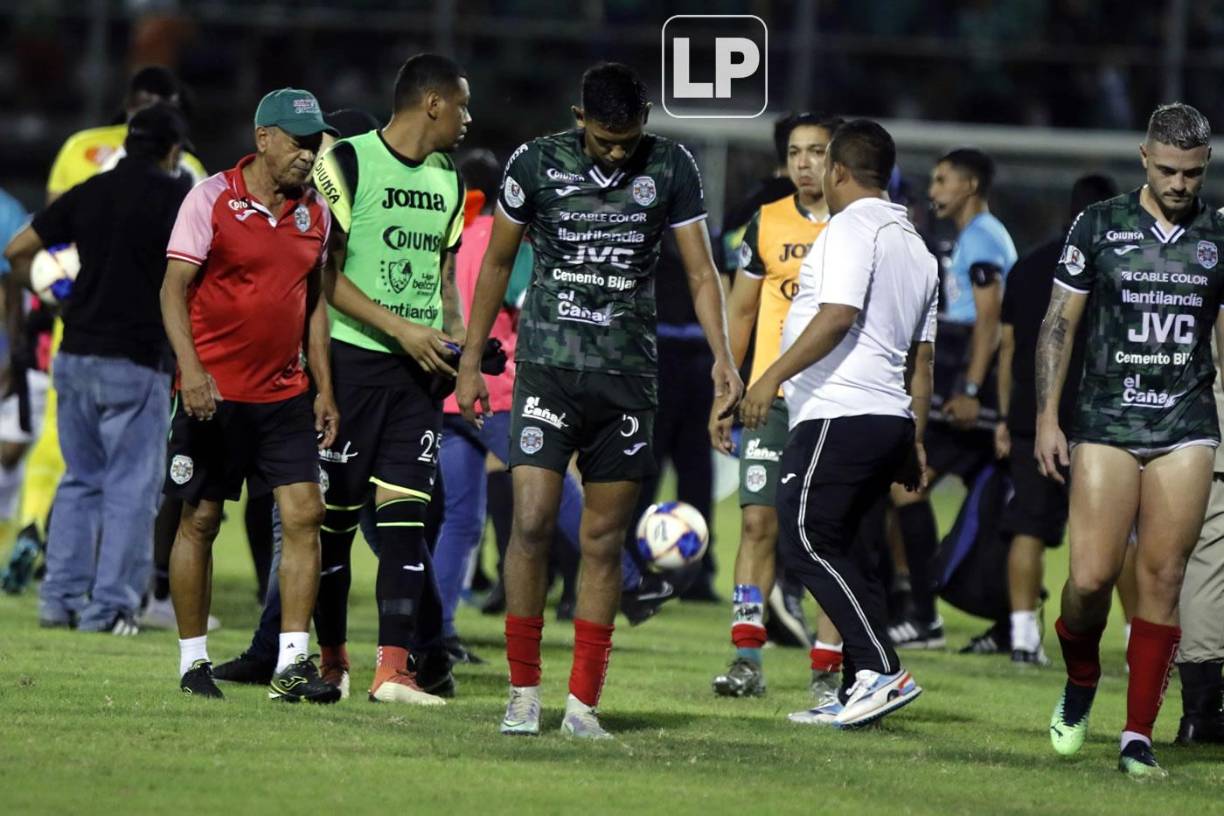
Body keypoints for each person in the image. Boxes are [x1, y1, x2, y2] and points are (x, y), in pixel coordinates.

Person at [456, 62, 742, 739]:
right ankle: (523, 694)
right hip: (548, 371)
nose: (618, 153)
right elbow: (497, 263)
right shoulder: (535, 163)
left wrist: (724, 361)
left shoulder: (671, 167)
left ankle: (582, 706)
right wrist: (469, 361)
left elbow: (702, 272)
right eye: (606, 140)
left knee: (603, 540)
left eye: (629, 139)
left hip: (627, 382)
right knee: (529, 523)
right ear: (579, 118)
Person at [1039, 102, 1224, 779]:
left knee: (1164, 575)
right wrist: (1045, 417)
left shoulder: (1218, 233)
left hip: (1186, 422)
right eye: (1170, 170)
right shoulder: (1101, 225)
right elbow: (1060, 324)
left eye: (1194, 173)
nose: (1180, 185)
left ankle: (1136, 734)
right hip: (1107, 418)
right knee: (1088, 579)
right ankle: (1081, 677)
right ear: (1144, 158)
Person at [740, 118, 938, 729]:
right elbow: (921, 359)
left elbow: (836, 315)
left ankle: (879, 668)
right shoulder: (918, 246)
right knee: (855, 549)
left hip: (840, 411)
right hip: (885, 417)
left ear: (838, 172)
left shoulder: (852, 226)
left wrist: (769, 376)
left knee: (803, 540)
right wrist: (915, 435)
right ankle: (862, 688)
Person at [161, 88, 341, 702]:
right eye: (297, 141)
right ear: (263, 137)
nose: (307, 153)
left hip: (284, 396)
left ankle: (291, 665)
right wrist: (191, 372)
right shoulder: (209, 198)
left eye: (315, 142)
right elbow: (172, 289)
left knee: (304, 515)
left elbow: (314, 307)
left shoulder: (314, 212)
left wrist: (323, 388)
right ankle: (192, 663)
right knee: (202, 519)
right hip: (213, 395)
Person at [310, 54, 469, 706]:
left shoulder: (448, 178)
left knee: (407, 524)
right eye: (462, 104)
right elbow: (322, 276)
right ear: (432, 103)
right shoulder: (343, 163)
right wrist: (399, 328)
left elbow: (446, 280)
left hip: (419, 379)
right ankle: (332, 658)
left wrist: (456, 340)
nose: (469, 118)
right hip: (350, 368)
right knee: (335, 525)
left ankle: (393, 671)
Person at [1, 104, 191, 632]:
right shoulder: (176, 197)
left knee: (80, 480)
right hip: (136, 358)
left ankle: (57, 600)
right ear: (173, 152)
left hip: (75, 354)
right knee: (132, 488)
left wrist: (56, 299)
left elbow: (18, 252)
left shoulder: (90, 190)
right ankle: (108, 608)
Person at [709, 112, 847, 699]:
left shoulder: (859, 228)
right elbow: (741, 311)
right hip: (773, 402)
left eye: (816, 151)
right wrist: (727, 387)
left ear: (838, 159)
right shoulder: (766, 223)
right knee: (757, 523)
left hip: (836, 402)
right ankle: (747, 657)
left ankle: (828, 669)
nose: (804, 163)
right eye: (795, 152)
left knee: (828, 535)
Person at [890, 146, 1016, 650]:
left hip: (971, 384)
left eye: (942, 180)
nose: (934, 190)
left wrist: (968, 388)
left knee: (906, 489)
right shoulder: (978, 237)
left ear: (969, 186)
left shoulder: (983, 237)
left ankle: (924, 616)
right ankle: (1008, 623)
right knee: (993, 507)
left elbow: (990, 320)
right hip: (966, 376)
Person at [992, 174, 1117, 664]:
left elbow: (1008, 350)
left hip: (1031, 415)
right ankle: (1131, 642)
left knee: (1027, 524)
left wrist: (1003, 415)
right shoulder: (1116, 266)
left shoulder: (1027, 266)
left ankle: (1024, 639)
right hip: (1097, 418)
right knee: (1117, 531)